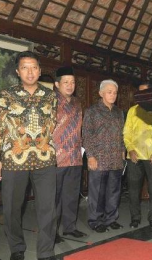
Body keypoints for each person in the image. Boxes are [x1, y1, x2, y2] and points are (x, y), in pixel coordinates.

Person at [0, 51, 58, 260]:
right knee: (12, 208)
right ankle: (16, 248)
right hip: (14, 159)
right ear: (18, 71)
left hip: (45, 158)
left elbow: (52, 124)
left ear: (40, 70)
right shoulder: (6, 96)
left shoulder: (51, 96)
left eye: (34, 67)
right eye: (25, 67)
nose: (30, 71)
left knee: (47, 208)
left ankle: (46, 251)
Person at [82, 79, 125, 233]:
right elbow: (86, 135)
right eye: (109, 92)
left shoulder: (119, 113)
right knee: (97, 193)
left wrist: (122, 150)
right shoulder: (92, 111)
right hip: (99, 159)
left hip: (115, 159)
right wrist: (91, 156)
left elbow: (122, 135)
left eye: (114, 92)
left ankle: (111, 218)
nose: (113, 95)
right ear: (101, 93)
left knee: (114, 191)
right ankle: (95, 220)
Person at [123, 83, 152, 229]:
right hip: (134, 156)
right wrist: (130, 149)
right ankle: (135, 218)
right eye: (140, 93)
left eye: (146, 92)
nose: (143, 95)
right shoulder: (132, 111)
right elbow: (127, 132)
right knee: (134, 190)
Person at [53, 66, 87, 243]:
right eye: (66, 82)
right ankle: (53, 232)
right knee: (54, 197)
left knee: (72, 195)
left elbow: (80, 129)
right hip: (56, 158)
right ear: (57, 84)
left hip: (75, 156)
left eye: (72, 82)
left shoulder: (77, 103)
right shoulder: (50, 101)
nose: (70, 85)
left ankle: (70, 227)